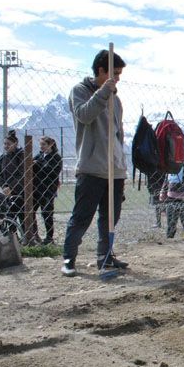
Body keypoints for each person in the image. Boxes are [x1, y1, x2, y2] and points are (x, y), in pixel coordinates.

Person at [61, 49, 128, 277]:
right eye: (115, 73)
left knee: (111, 217)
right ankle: (69, 259)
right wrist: (103, 92)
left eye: (119, 74)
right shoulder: (79, 91)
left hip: (115, 169)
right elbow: (84, 115)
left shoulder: (116, 100)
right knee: (82, 216)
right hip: (92, 167)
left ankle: (105, 256)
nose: (118, 78)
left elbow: (119, 134)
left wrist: (122, 162)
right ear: (101, 71)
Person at [160, 150, 184, 238]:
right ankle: (169, 239)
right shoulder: (172, 162)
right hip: (171, 196)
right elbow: (167, 177)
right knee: (171, 222)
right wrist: (163, 191)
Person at [32, 136, 63, 244]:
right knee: (31, 211)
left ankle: (49, 238)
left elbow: (52, 172)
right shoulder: (39, 156)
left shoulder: (56, 158)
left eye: (44, 144)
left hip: (48, 189)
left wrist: (38, 164)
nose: (41, 147)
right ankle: (33, 235)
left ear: (50, 145)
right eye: (40, 145)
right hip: (36, 188)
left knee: (47, 213)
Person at [0, 130, 25, 226]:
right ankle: (12, 236)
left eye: (8, 144)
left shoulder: (21, 155)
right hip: (7, 192)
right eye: (4, 144)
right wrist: (4, 186)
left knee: (23, 216)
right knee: (9, 216)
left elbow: (22, 173)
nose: (6, 146)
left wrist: (11, 187)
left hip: (21, 191)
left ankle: (29, 237)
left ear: (15, 143)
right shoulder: (3, 157)